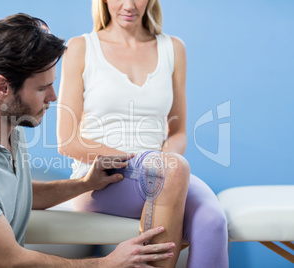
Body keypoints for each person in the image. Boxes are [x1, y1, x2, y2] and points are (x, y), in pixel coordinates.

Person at [0, 13, 177, 268]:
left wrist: (85, 184)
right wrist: (106, 262)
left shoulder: (10, 127)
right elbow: (11, 262)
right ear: (1, 88)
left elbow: (17, 193)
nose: (54, 97)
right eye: (42, 87)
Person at [57, 0, 229, 267]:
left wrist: (164, 167)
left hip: (163, 169)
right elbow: (67, 142)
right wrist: (147, 163)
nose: (129, 5)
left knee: (213, 221)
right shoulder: (81, 47)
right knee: (169, 170)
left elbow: (179, 131)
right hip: (100, 176)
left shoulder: (173, 48)